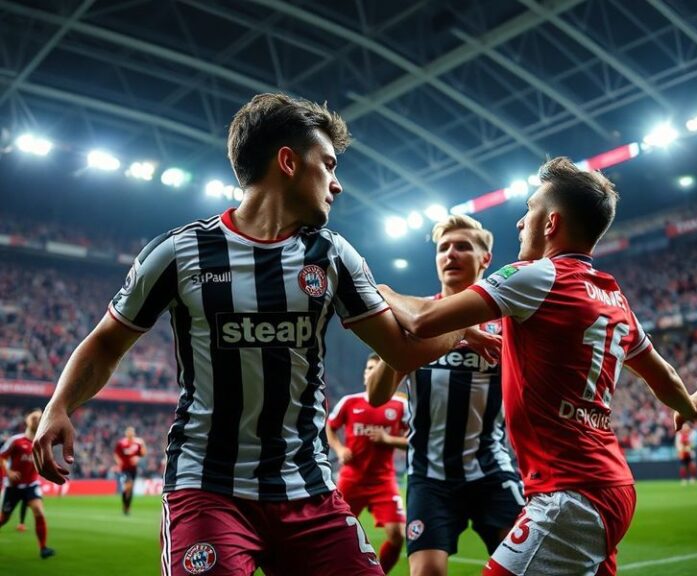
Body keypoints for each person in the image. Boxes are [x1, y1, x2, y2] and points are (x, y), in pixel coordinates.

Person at [32, 92, 499, 576]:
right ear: (288, 162)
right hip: (207, 489)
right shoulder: (180, 252)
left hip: (308, 489)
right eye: (329, 165)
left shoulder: (332, 256)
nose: (337, 184)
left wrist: (460, 323)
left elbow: (400, 350)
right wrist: (59, 405)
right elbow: (107, 341)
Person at [373, 157, 697, 576]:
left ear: (551, 224)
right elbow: (663, 375)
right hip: (611, 487)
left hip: (569, 495)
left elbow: (421, 320)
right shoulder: (614, 297)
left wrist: (381, 289)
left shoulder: (533, 277)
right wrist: (688, 406)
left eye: (529, 211)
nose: (520, 223)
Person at [368, 214, 524, 576]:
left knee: (525, 566)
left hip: (491, 469)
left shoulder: (508, 322)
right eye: (443, 248)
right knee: (427, 572)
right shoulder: (415, 317)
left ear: (485, 259)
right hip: (429, 475)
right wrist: (401, 343)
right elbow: (376, 396)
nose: (450, 254)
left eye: (463, 246)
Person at [327, 353, 409, 574]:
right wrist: (340, 449)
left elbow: (416, 439)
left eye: (377, 369)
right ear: (365, 375)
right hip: (351, 478)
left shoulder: (401, 405)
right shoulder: (349, 402)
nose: (373, 373)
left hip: (383, 480)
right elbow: (330, 427)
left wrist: (389, 440)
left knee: (397, 535)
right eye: (370, 368)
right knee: (334, 534)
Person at [0, 408, 55, 559]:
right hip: (13, 486)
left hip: (31, 484)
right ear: (27, 420)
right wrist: (9, 472)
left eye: (40, 418)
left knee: (39, 511)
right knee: (3, 519)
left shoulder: (42, 443)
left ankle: (43, 548)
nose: (37, 419)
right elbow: (2, 457)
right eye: (34, 417)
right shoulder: (16, 441)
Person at [114, 426, 147, 515]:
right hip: (124, 469)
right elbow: (116, 454)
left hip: (133, 469)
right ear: (126, 434)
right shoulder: (121, 443)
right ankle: (125, 505)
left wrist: (138, 456)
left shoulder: (138, 443)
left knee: (131, 488)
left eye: (131, 433)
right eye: (129, 433)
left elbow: (143, 453)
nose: (130, 434)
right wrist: (119, 462)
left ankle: (127, 506)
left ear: (133, 434)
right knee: (128, 485)